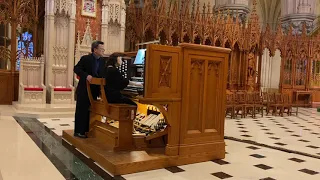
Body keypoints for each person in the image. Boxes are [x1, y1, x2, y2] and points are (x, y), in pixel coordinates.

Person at [73, 41, 105, 138]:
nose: (103, 51)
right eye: (101, 49)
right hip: (84, 89)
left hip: (95, 90)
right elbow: (76, 69)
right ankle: (79, 131)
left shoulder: (103, 61)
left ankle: (88, 130)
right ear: (95, 50)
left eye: (103, 49)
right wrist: (86, 76)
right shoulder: (86, 59)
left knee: (91, 110)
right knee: (82, 110)